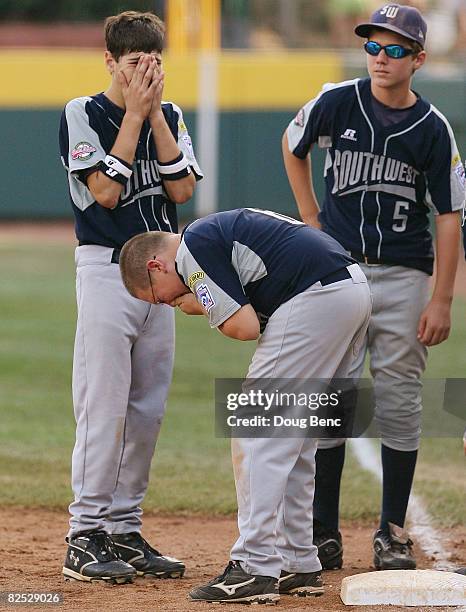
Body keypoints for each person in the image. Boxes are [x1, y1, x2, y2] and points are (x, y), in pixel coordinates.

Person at [282, 3, 465, 572]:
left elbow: (450, 214)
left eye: (393, 49)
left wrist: (442, 296)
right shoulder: (337, 100)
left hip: (404, 274)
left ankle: (390, 532)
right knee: (332, 398)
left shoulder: (432, 128)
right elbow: (292, 145)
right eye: (372, 46)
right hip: (338, 270)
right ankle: (322, 530)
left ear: (418, 59)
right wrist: (310, 217)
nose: (380, 58)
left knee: (400, 400)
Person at [119, 207, 372, 604]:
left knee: (255, 432)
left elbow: (243, 326)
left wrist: (202, 304)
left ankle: (253, 566)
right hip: (348, 291)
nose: (166, 304)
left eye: (156, 296)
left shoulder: (191, 251)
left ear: (156, 266)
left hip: (315, 300)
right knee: (295, 439)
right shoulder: (209, 232)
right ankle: (297, 560)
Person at [58, 10, 202, 583]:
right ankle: (84, 533)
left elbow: (184, 187)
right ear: (110, 62)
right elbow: (105, 194)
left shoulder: (170, 114)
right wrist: (136, 115)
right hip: (106, 267)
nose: (146, 72)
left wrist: (156, 118)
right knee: (104, 406)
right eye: (135, 62)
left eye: (154, 62)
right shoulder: (82, 112)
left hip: (162, 272)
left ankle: (123, 526)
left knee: (147, 409)